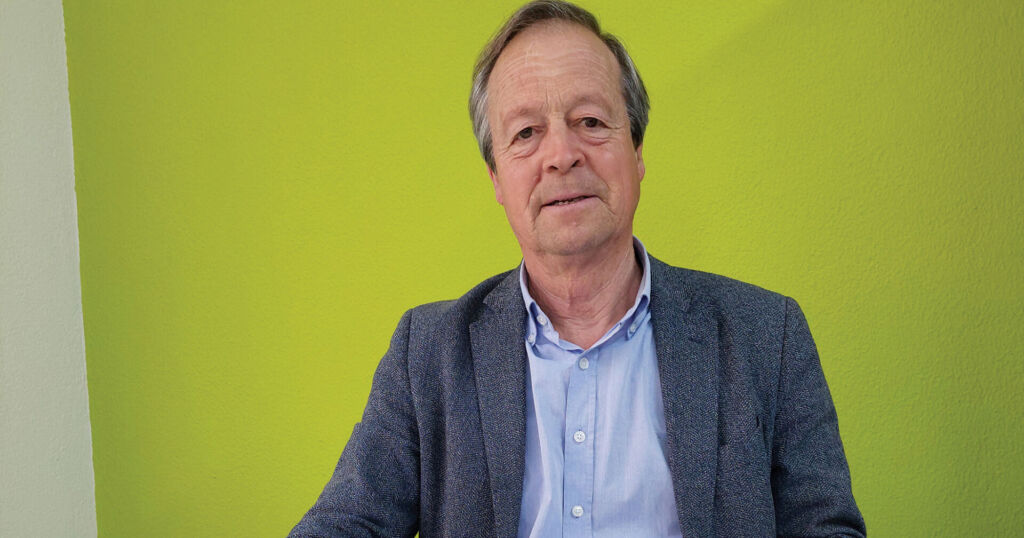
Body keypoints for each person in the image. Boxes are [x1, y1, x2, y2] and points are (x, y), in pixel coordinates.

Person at [290, 1, 865, 536]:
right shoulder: (428, 354)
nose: (562, 155)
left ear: (636, 151)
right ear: (496, 178)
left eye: (590, 121)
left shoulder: (767, 335)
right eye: (526, 133)